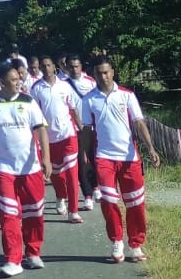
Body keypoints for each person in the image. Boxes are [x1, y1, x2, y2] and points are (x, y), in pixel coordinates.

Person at [79, 56, 161, 263]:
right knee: (109, 201)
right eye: (99, 73)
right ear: (94, 75)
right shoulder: (88, 100)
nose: (103, 76)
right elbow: (86, 131)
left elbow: (139, 123)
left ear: (113, 72)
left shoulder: (127, 95)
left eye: (106, 72)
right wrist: (86, 158)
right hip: (104, 158)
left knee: (135, 203)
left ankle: (136, 244)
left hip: (129, 158)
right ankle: (116, 241)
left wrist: (150, 148)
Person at [0, 59, 53, 277]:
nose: (18, 82)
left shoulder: (28, 101)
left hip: (30, 167)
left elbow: (40, 130)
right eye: (13, 79)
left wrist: (46, 159)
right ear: (2, 81)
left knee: (34, 211)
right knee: (9, 213)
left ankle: (33, 252)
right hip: (4, 168)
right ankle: (13, 259)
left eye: (19, 78)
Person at [34, 57, 84, 223]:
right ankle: (60, 196)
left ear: (54, 67)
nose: (46, 68)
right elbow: (34, 117)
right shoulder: (36, 89)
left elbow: (74, 109)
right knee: (56, 174)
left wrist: (80, 129)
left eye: (49, 64)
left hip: (68, 135)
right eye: (43, 66)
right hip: (49, 140)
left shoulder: (65, 86)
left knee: (71, 174)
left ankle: (74, 211)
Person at [62, 54, 98, 211]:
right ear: (66, 68)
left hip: (91, 127)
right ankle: (87, 195)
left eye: (76, 66)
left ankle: (96, 186)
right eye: (71, 67)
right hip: (75, 129)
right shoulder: (63, 85)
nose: (74, 69)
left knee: (95, 158)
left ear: (81, 66)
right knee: (81, 163)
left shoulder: (90, 82)